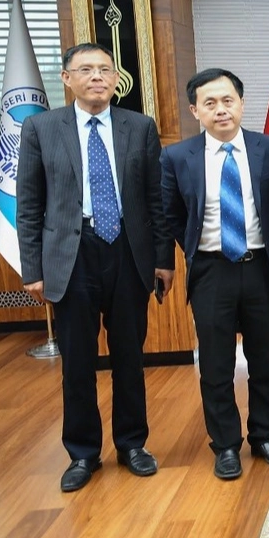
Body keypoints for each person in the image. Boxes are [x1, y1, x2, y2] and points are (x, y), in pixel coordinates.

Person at [16, 42, 174, 492]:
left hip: (127, 251)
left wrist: (163, 259)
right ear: (67, 79)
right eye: (86, 69)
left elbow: (156, 200)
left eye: (105, 69)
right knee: (78, 363)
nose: (97, 77)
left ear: (116, 78)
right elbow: (29, 203)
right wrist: (32, 268)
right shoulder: (41, 128)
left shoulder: (139, 127)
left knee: (129, 357)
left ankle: (132, 444)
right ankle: (83, 453)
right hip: (71, 255)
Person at [160, 68, 269, 480]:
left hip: (261, 267)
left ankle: (264, 436)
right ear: (195, 111)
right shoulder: (177, 157)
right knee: (216, 364)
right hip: (211, 271)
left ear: (241, 103)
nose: (221, 110)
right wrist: (201, 249)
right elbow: (173, 215)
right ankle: (225, 446)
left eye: (228, 100)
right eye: (210, 103)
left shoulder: (268, 148)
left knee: (265, 360)